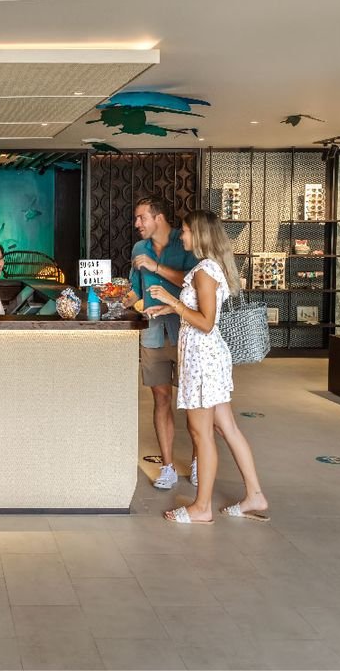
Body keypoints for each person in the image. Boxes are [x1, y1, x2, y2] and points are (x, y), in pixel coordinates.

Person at [147, 209, 270, 524]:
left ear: (199, 234)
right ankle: (255, 494)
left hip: (202, 361)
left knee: (200, 433)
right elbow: (200, 311)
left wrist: (172, 302)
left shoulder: (204, 271)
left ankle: (202, 508)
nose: (182, 236)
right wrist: (169, 309)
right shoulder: (211, 267)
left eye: (186, 231)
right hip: (208, 359)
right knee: (227, 428)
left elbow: (205, 322)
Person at [126, 196, 200, 490]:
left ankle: (199, 462)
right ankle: (167, 467)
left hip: (186, 332)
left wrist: (156, 267)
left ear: (158, 218)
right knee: (161, 398)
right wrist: (112, 300)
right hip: (153, 333)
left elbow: (197, 282)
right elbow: (135, 290)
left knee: (194, 402)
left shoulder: (185, 242)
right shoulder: (138, 249)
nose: (137, 223)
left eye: (141, 217)